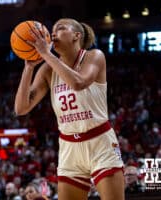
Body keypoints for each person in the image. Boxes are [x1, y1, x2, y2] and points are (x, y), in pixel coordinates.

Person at [14, 18, 125, 200]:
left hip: (100, 142)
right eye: (53, 29)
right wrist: (29, 67)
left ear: (76, 35)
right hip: (69, 148)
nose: (53, 33)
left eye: (60, 28)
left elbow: (78, 83)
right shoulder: (47, 70)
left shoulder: (94, 56)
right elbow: (21, 108)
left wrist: (46, 55)